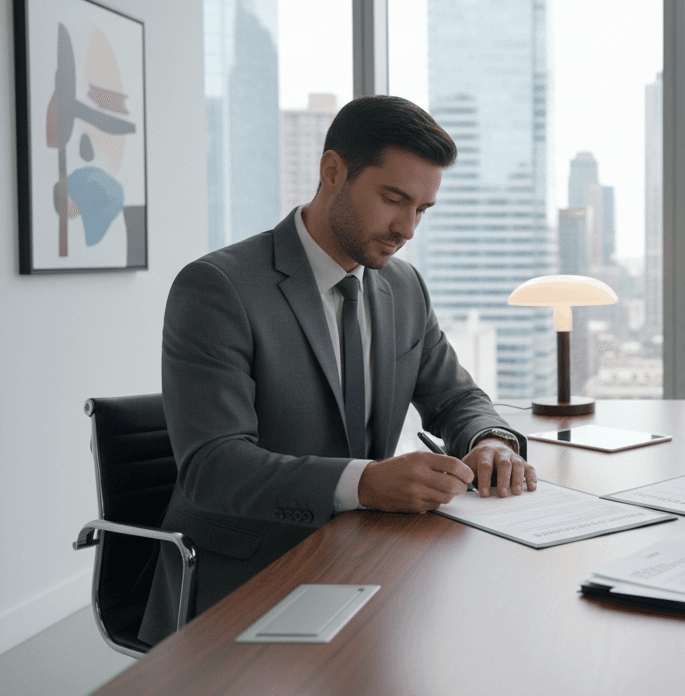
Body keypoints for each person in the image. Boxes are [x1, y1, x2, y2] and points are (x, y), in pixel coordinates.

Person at [140, 95, 538, 645]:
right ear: (332, 172)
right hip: (245, 581)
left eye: (422, 210)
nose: (407, 229)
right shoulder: (218, 288)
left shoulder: (403, 287)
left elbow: (456, 398)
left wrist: (491, 440)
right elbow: (213, 465)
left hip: (367, 558)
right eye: (394, 199)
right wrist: (367, 483)